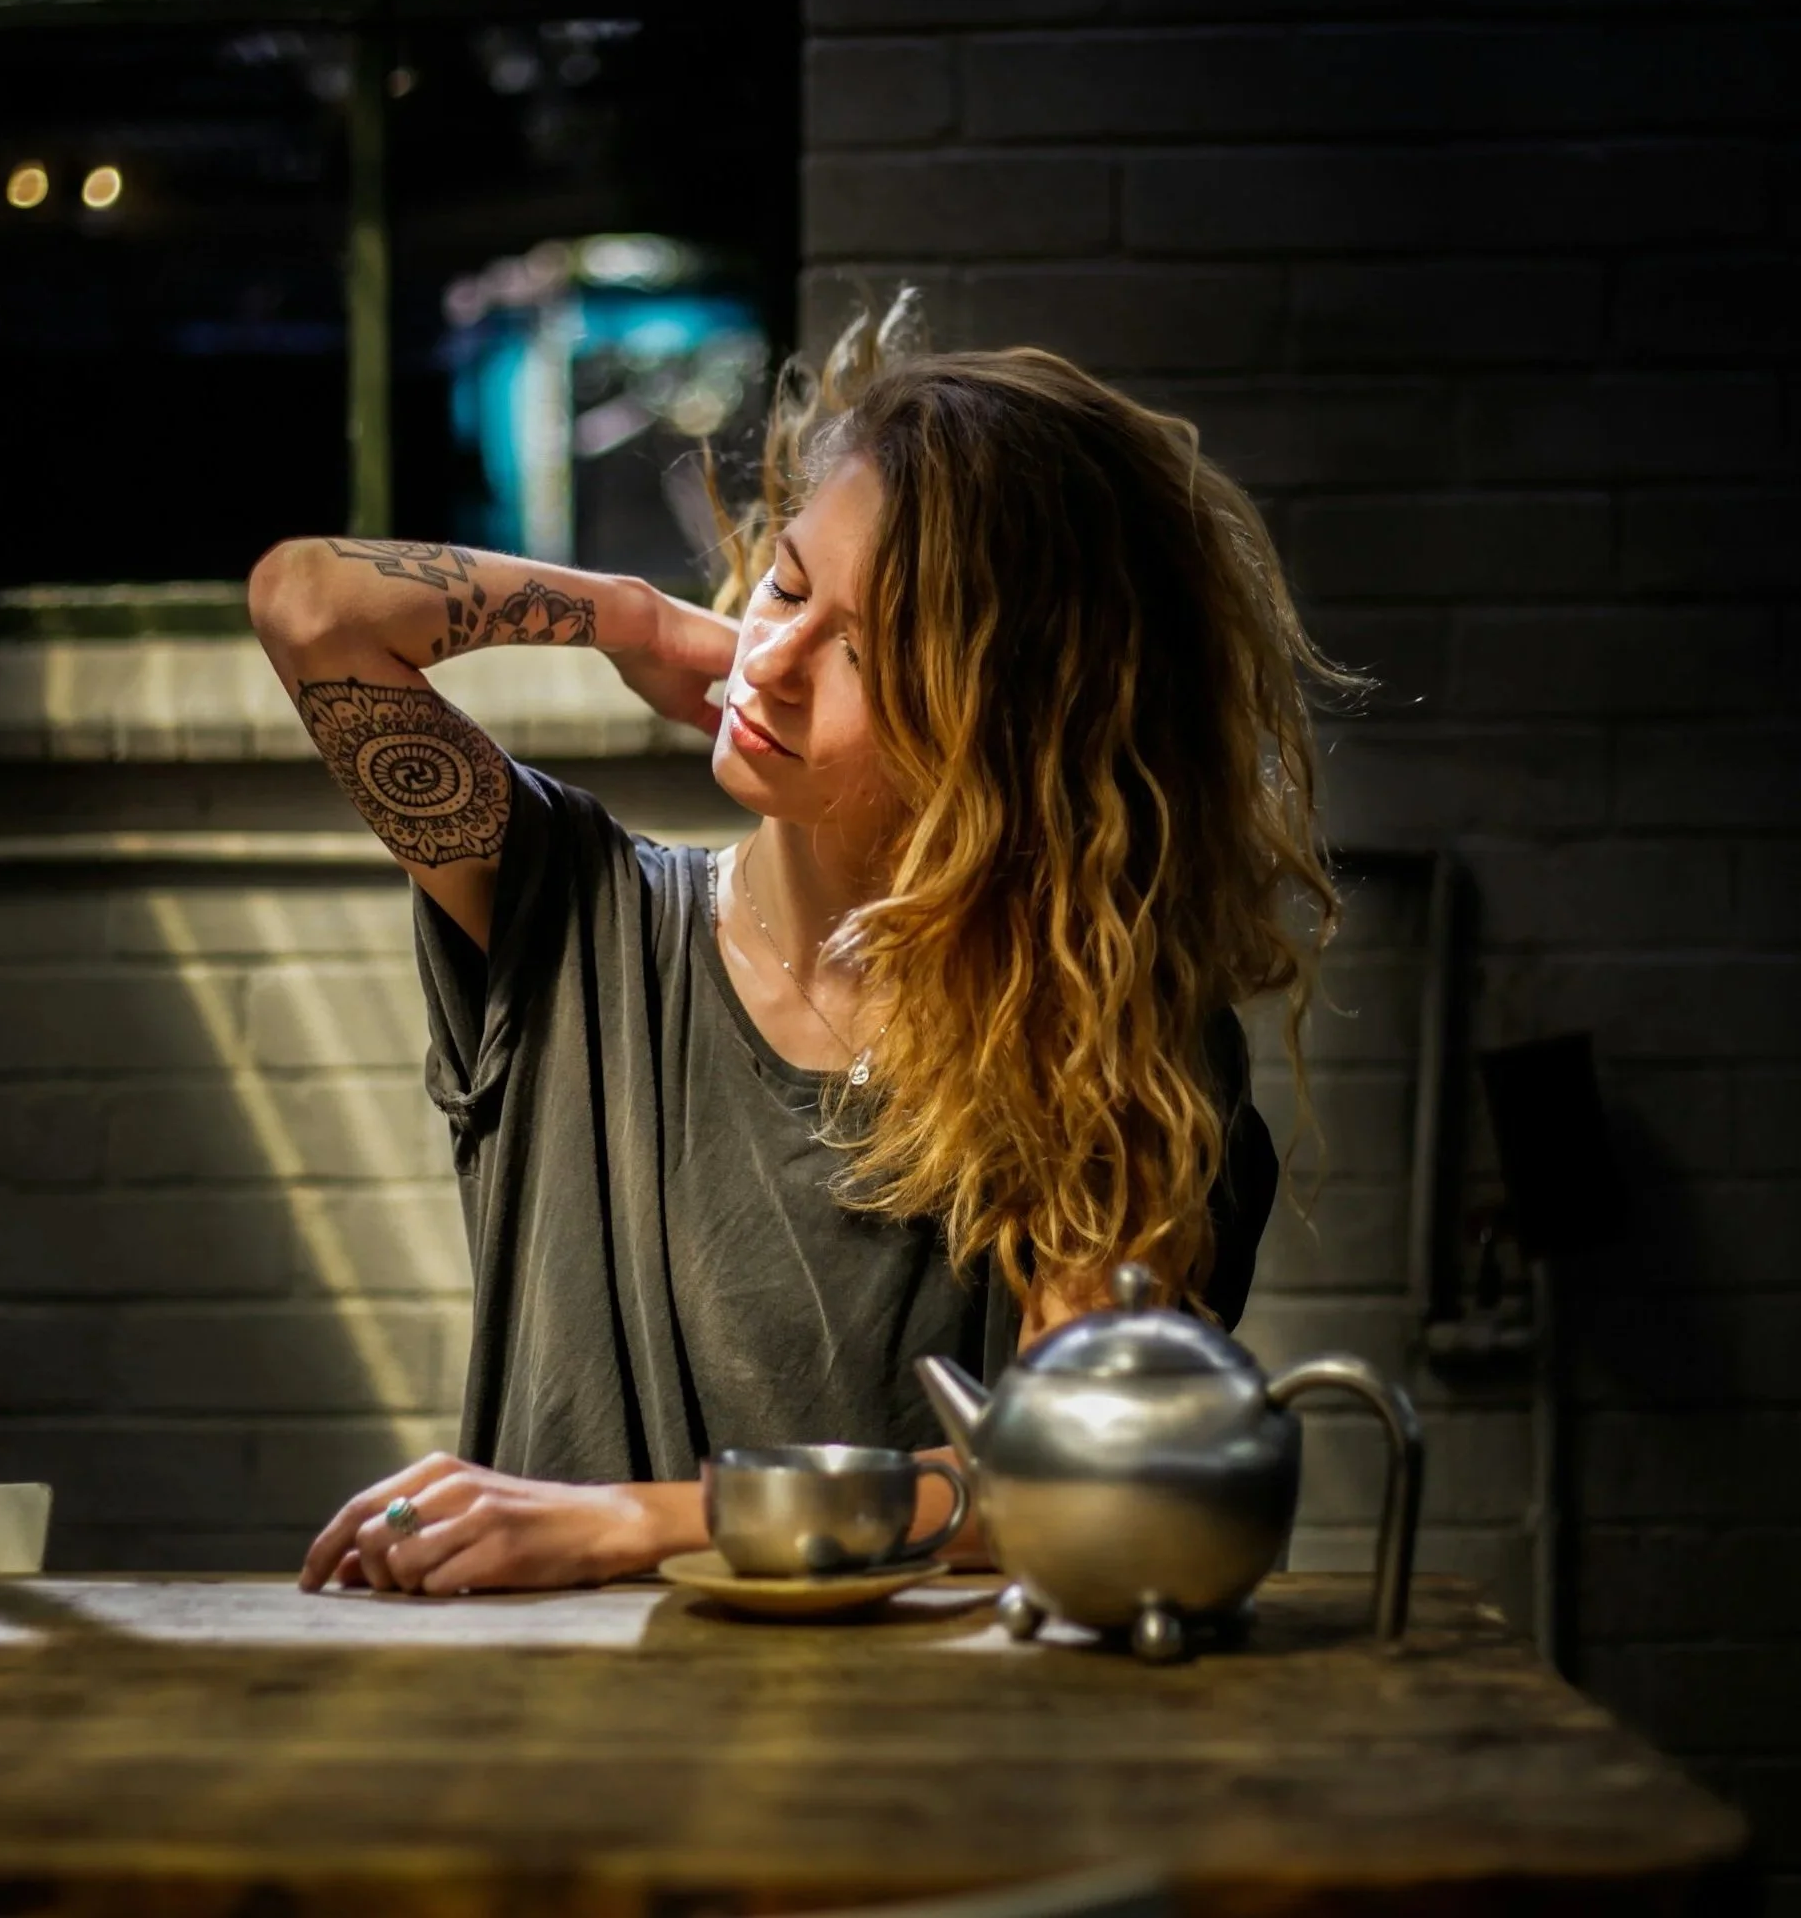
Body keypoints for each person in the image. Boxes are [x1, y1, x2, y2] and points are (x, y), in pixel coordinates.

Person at [247, 298, 1354, 1597]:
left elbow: (1088, 1483)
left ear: (1009, 736)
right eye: (783, 581)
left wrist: (633, 1521)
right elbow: (312, 606)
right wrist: (639, 622)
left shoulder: (1100, 1043)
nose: (768, 664)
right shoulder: (570, 919)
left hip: (909, 1772)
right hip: (554, 1749)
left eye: (869, 655)